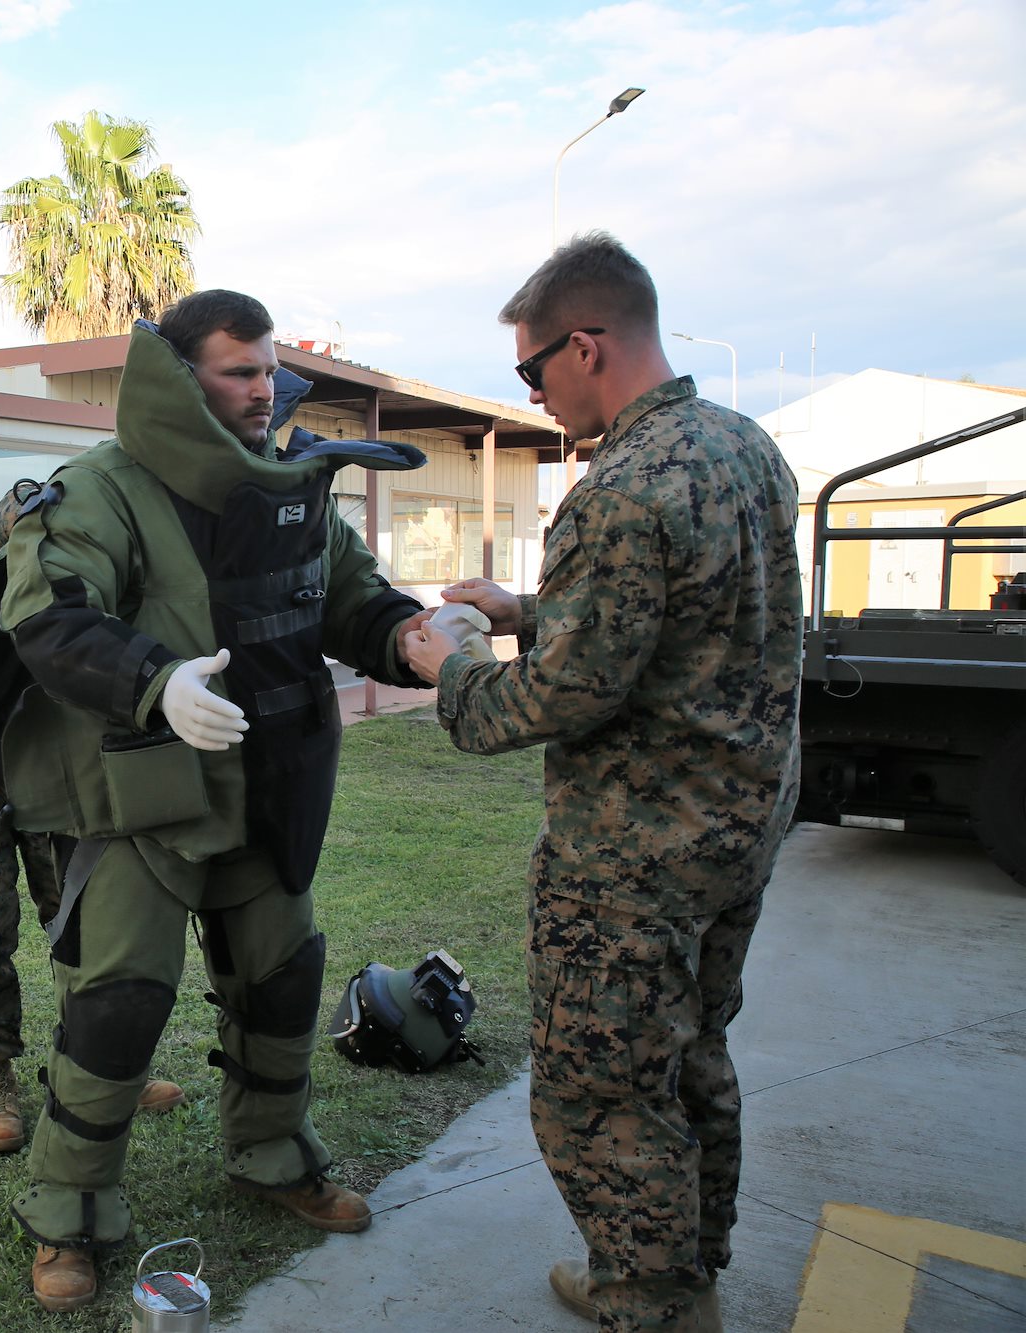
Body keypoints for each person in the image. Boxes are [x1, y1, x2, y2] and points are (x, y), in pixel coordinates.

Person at [0, 290, 431, 1311]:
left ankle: (273, 1157)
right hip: (146, 799)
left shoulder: (290, 486)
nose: (264, 386)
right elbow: (48, 614)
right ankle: (68, 1214)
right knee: (115, 1009)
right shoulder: (102, 488)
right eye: (239, 368)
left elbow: (349, 597)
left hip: (266, 789)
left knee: (280, 983)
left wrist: (410, 635)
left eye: (269, 366)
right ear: (178, 379)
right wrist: (157, 681)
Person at [404, 232, 802, 1333]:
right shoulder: (740, 447)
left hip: (632, 854)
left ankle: (649, 1300)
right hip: (736, 828)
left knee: (599, 1090)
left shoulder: (619, 488)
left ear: (584, 345)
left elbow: (549, 703)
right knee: (689, 1058)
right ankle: (686, 1265)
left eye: (530, 371)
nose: (529, 393)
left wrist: (457, 665)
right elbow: (686, 621)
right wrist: (524, 608)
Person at [0, 491, 186, 1158]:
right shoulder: (30, 521)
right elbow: (5, 522)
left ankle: (94, 1070)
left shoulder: (117, 578)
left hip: (55, 769)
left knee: (85, 927)